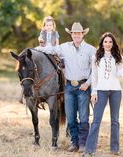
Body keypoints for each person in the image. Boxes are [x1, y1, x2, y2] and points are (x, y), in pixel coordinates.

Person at [82, 32, 123, 157]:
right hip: (101, 91)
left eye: (110, 42)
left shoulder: (118, 57)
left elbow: (121, 75)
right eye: (105, 42)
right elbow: (94, 76)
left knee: (115, 121)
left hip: (116, 91)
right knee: (96, 121)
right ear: (102, 44)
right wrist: (94, 92)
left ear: (113, 44)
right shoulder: (96, 57)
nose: (108, 44)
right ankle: (89, 150)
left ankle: (114, 148)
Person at [50, 22, 96, 152]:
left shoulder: (90, 49)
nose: (76, 35)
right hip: (69, 86)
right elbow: (51, 49)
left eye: (79, 33)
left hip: (83, 86)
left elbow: (95, 69)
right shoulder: (64, 47)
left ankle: (83, 143)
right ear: (71, 34)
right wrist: (35, 49)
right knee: (70, 118)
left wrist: (87, 83)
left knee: (83, 117)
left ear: (82, 34)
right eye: (74, 33)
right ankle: (74, 142)